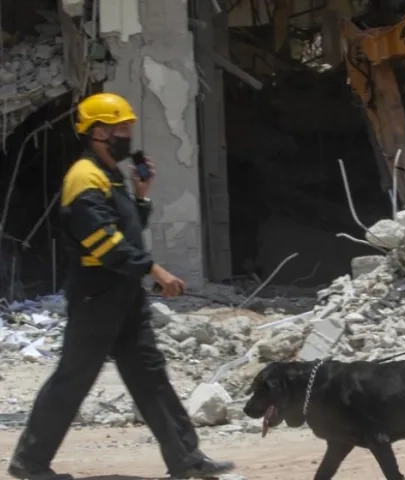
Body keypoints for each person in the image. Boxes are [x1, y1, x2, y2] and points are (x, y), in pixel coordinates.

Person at [8, 93, 235, 480]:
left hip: (123, 294)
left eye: (128, 127)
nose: (129, 134)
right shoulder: (84, 177)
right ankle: (29, 463)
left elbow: (125, 232)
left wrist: (141, 197)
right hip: (96, 295)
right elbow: (103, 241)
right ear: (98, 132)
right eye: (121, 128)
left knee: (151, 376)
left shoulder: (110, 174)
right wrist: (154, 270)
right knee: (73, 378)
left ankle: (187, 459)